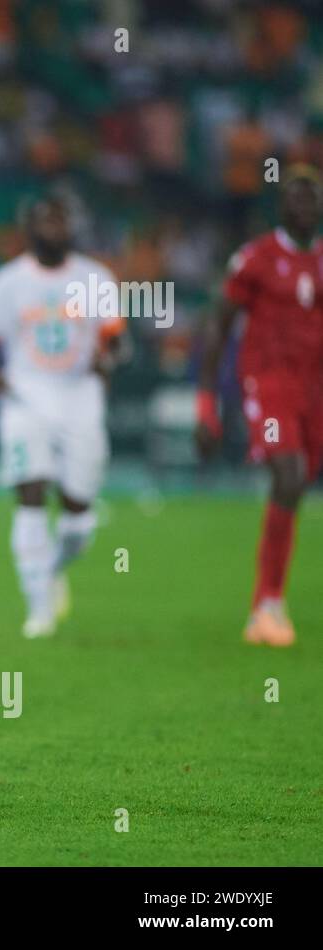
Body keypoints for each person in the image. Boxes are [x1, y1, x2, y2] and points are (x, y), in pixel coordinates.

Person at [0, 195, 128, 639]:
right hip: (26, 397)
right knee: (31, 493)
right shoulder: (9, 281)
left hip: (81, 398)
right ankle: (38, 608)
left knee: (80, 516)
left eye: (61, 217)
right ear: (29, 228)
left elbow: (116, 340)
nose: (54, 226)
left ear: (73, 225)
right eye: (44, 219)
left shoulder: (95, 278)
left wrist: (108, 362)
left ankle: (53, 567)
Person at [197, 166, 323, 647]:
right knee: (288, 475)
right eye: (296, 197)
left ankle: (271, 600)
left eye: (313, 197)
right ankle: (266, 604)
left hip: (314, 390)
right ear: (281, 207)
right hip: (268, 386)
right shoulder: (256, 259)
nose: (305, 205)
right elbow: (218, 325)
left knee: (298, 482)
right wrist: (206, 400)